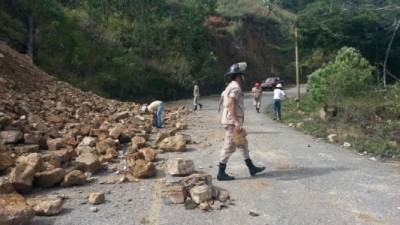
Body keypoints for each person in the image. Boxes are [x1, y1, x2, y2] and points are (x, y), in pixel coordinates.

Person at [217, 62, 266, 181]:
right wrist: (235, 121)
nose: (244, 77)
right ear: (238, 76)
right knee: (229, 146)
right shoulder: (235, 87)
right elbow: (231, 104)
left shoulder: (230, 85)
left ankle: (251, 167)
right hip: (232, 121)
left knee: (243, 143)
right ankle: (221, 173)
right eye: (242, 75)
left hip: (231, 120)